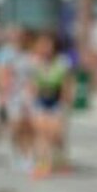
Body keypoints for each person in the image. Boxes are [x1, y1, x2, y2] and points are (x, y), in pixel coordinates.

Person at [29, 31, 73, 178]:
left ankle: (60, 159)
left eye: (48, 45)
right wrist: (30, 98)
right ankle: (42, 163)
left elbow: (67, 84)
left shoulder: (62, 62)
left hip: (56, 100)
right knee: (42, 133)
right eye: (42, 45)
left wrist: (67, 102)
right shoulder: (36, 62)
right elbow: (32, 83)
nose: (45, 48)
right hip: (41, 100)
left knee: (54, 134)